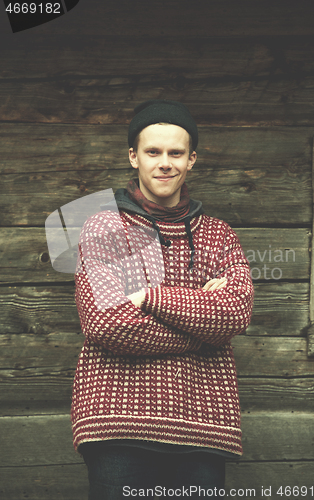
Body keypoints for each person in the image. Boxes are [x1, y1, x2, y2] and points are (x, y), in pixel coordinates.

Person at [71, 100, 254, 499]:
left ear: (192, 160)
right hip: (118, 422)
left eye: (176, 153)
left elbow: (235, 311)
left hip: (203, 425)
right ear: (133, 157)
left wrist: (150, 297)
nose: (165, 163)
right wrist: (202, 328)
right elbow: (108, 323)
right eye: (153, 152)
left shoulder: (219, 235)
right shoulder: (105, 225)